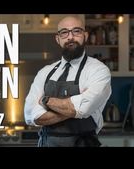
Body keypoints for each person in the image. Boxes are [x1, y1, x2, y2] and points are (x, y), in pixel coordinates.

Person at [24, 16, 111, 147]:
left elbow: (83, 108)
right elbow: (31, 115)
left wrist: (45, 101)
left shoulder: (98, 70)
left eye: (76, 31)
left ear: (85, 35)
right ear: (58, 39)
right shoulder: (45, 72)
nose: (70, 37)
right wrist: (74, 109)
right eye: (64, 32)